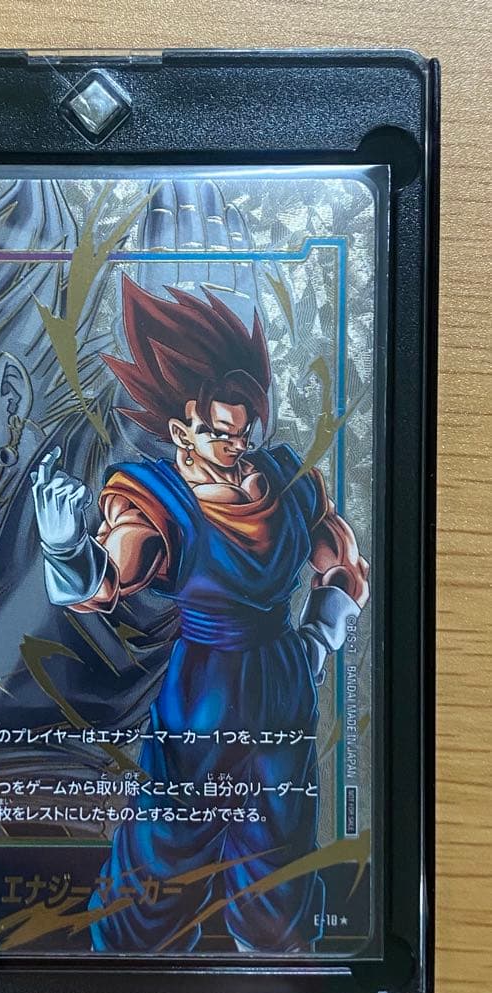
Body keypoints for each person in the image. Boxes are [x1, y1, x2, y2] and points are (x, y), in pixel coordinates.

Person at [32, 273, 369, 952]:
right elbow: (110, 579)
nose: (236, 449)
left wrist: (314, 640)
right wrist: (65, 547)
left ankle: (281, 982)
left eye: (244, 434)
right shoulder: (157, 497)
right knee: (165, 845)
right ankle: (125, 985)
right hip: (201, 694)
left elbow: (344, 564)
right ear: (183, 426)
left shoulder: (287, 481)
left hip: (282, 688)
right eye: (220, 435)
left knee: (278, 853)